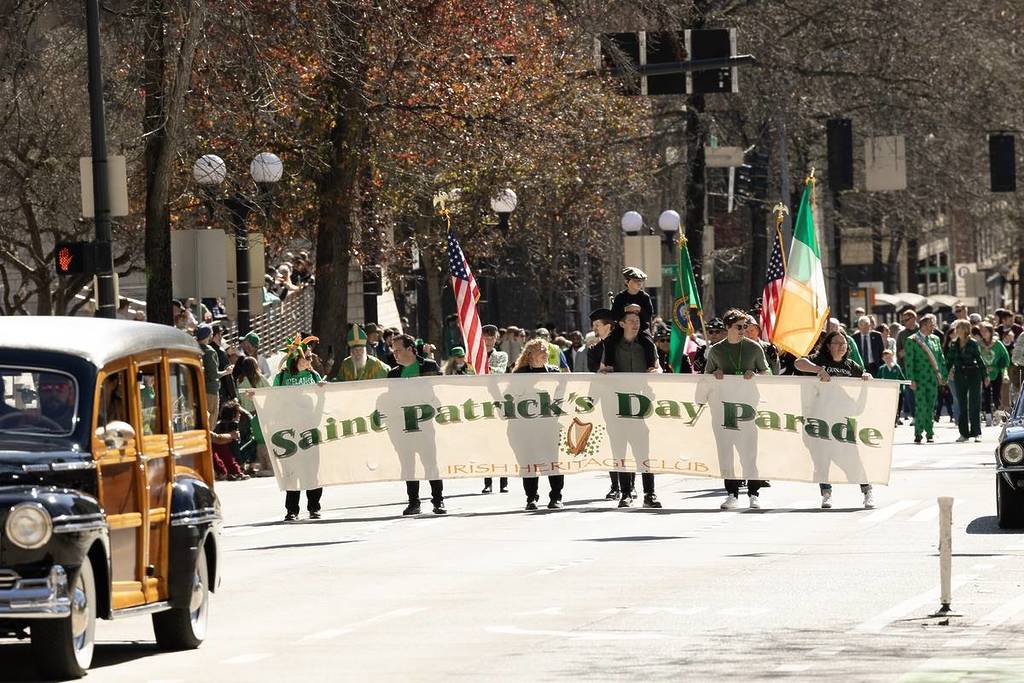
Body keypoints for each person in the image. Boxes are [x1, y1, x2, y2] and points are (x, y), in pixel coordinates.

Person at [795, 330, 876, 509]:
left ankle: (867, 490)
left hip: (842, 421)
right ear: (828, 346)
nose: (841, 347)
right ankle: (826, 494)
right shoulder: (819, 360)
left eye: (844, 344)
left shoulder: (850, 365)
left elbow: (865, 376)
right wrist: (818, 370)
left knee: (852, 458)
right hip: (819, 419)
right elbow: (798, 362)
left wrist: (867, 377)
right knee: (821, 458)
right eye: (837, 343)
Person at [704, 308, 769, 510]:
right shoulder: (716, 350)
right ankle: (731, 493)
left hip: (748, 409)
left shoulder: (754, 348)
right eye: (739, 327)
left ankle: (753, 493)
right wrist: (715, 373)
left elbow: (767, 373)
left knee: (749, 452)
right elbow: (705, 379)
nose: (743, 330)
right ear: (728, 328)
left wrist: (756, 374)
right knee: (726, 453)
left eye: (745, 327)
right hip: (723, 411)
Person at [602, 308, 663, 509]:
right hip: (618, 405)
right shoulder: (612, 346)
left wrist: (656, 371)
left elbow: (657, 367)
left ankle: (649, 493)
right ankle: (626, 493)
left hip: (641, 405)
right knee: (621, 450)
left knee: (644, 451)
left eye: (637, 320)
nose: (635, 324)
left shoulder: (646, 345)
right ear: (621, 324)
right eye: (631, 320)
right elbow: (603, 369)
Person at [388, 334, 446, 515]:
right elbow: (391, 399)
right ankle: (414, 503)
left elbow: (439, 390)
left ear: (410, 349)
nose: (394, 354)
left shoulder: (428, 366)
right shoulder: (393, 373)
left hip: (425, 424)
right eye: (393, 350)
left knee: (430, 463)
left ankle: (438, 501)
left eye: (397, 350)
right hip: (404, 426)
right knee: (408, 465)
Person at [273, 334, 325, 521]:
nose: (311, 361)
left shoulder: (313, 375)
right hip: (288, 430)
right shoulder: (282, 377)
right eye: (308, 357)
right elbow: (273, 399)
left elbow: (322, 398)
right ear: (296, 358)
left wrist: (322, 390)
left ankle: (314, 507)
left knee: (312, 468)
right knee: (291, 470)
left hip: (310, 427)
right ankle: (292, 510)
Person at [512, 339, 566, 510]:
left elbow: (562, 393)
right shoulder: (520, 374)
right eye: (540, 350)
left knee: (553, 462)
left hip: (549, 426)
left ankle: (556, 496)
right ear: (530, 354)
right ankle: (531, 497)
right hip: (527, 428)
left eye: (545, 349)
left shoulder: (554, 372)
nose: (545, 352)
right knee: (529, 461)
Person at [586, 308, 626, 500]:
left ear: (608, 326)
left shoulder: (623, 346)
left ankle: (629, 484)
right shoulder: (594, 350)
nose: (594, 328)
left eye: (597, 325)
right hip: (606, 402)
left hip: (624, 399)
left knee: (625, 443)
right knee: (610, 444)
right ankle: (615, 485)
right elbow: (596, 371)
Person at [600, 267, 658, 372]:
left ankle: (651, 366)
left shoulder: (645, 297)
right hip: (623, 326)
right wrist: (625, 309)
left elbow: (649, 314)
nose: (639, 283)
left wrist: (640, 310)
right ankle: (609, 364)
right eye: (636, 281)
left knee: (648, 341)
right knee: (611, 340)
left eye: (641, 281)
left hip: (641, 327)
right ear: (627, 281)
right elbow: (614, 316)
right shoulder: (620, 298)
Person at [905, 314, 948, 444]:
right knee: (921, 405)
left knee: (931, 406)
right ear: (923, 325)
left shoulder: (935, 339)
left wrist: (943, 375)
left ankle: (930, 433)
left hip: (932, 378)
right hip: (919, 378)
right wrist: (911, 379)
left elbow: (940, 358)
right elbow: (909, 362)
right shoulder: (912, 340)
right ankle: (918, 433)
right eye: (931, 324)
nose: (933, 326)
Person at [943, 319, 986, 443]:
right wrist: (943, 375)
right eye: (957, 328)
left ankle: (976, 432)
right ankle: (964, 433)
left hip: (974, 374)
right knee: (962, 404)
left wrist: (985, 376)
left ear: (966, 330)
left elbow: (979, 359)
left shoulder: (973, 343)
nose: (957, 330)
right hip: (959, 375)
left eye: (959, 328)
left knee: (974, 403)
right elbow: (949, 360)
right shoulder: (954, 344)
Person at [233, 357, 274, 477]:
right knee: (259, 439)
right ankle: (260, 463)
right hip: (259, 413)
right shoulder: (260, 378)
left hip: (245, 414)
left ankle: (245, 465)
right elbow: (270, 392)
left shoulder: (239, 381)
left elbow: (239, 399)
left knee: (246, 439)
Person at [978, 322, 1010, 426]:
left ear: (991, 332)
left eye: (986, 331)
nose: (983, 333)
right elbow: (977, 357)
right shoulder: (979, 344)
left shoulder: (998, 344)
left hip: (996, 373)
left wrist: (997, 366)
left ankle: (997, 416)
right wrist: (983, 368)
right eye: (982, 331)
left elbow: (1006, 357)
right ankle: (988, 417)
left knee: (996, 395)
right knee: (986, 395)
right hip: (984, 373)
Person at [212, 400, 249, 481]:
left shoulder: (218, 424)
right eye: (238, 412)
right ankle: (236, 472)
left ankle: (225, 472)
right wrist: (239, 465)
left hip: (218, 452)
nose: (239, 414)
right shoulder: (232, 426)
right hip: (228, 452)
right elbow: (234, 450)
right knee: (228, 455)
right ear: (233, 414)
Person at [195, 324, 222, 422]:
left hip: (196, 389)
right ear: (209, 335)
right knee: (211, 419)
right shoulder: (210, 352)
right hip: (210, 391)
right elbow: (214, 374)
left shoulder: (192, 348)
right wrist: (226, 372)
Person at [875, 349, 907, 426]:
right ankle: (887, 420)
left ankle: (895, 420)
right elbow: (877, 380)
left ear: (892, 357)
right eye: (886, 358)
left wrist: (901, 389)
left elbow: (902, 379)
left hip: (896, 391)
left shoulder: (897, 367)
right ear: (883, 359)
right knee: (887, 406)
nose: (888, 359)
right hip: (886, 391)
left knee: (896, 406)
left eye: (889, 357)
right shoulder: (882, 369)